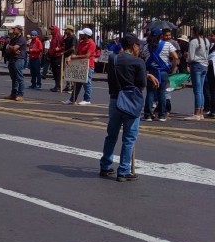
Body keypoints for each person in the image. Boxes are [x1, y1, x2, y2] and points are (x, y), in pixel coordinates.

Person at [99, 33, 157, 182]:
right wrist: (146, 75)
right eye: (138, 45)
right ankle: (124, 170)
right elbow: (142, 86)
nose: (139, 48)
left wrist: (146, 74)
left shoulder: (112, 59)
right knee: (129, 138)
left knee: (111, 135)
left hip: (114, 100)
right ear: (133, 46)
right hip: (130, 102)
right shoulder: (138, 62)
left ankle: (105, 166)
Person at [141, 27, 178, 122]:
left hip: (151, 72)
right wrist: (172, 69)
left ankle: (148, 115)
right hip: (163, 72)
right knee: (162, 93)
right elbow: (176, 57)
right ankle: (162, 115)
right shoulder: (167, 45)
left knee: (150, 93)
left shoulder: (146, 47)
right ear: (161, 36)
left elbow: (143, 58)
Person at [64, 28, 96, 106]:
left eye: (82, 34)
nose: (80, 35)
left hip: (88, 65)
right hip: (80, 65)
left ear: (86, 35)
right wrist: (70, 56)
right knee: (77, 82)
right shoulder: (81, 43)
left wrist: (74, 57)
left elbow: (87, 56)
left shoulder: (91, 44)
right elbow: (76, 52)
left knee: (87, 83)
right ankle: (72, 99)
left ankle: (87, 99)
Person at [183, 26, 210, 120]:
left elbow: (191, 56)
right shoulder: (206, 41)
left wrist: (187, 61)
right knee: (201, 89)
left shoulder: (194, 42)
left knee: (197, 90)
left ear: (195, 32)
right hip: (204, 65)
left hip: (196, 65)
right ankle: (201, 112)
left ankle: (196, 113)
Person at [4, 25, 27, 100]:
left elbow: (15, 48)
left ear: (20, 30)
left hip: (18, 60)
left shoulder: (22, 39)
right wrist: (11, 48)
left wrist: (11, 47)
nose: (13, 30)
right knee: (14, 78)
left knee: (19, 78)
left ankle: (20, 94)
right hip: (12, 59)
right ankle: (13, 94)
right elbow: (7, 48)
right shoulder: (13, 39)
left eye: (15, 29)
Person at [47, 25, 65, 92]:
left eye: (52, 30)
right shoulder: (53, 38)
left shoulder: (60, 37)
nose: (51, 31)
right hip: (53, 56)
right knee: (54, 72)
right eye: (51, 30)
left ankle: (57, 86)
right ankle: (57, 85)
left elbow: (64, 46)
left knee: (58, 72)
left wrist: (59, 49)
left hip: (58, 56)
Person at [61, 26, 77, 92]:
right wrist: (64, 36)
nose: (65, 31)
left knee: (70, 71)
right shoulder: (68, 37)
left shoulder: (73, 37)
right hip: (66, 55)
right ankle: (68, 86)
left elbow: (73, 48)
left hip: (70, 56)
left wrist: (64, 52)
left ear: (70, 30)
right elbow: (62, 42)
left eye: (66, 30)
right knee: (66, 71)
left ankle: (71, 86)